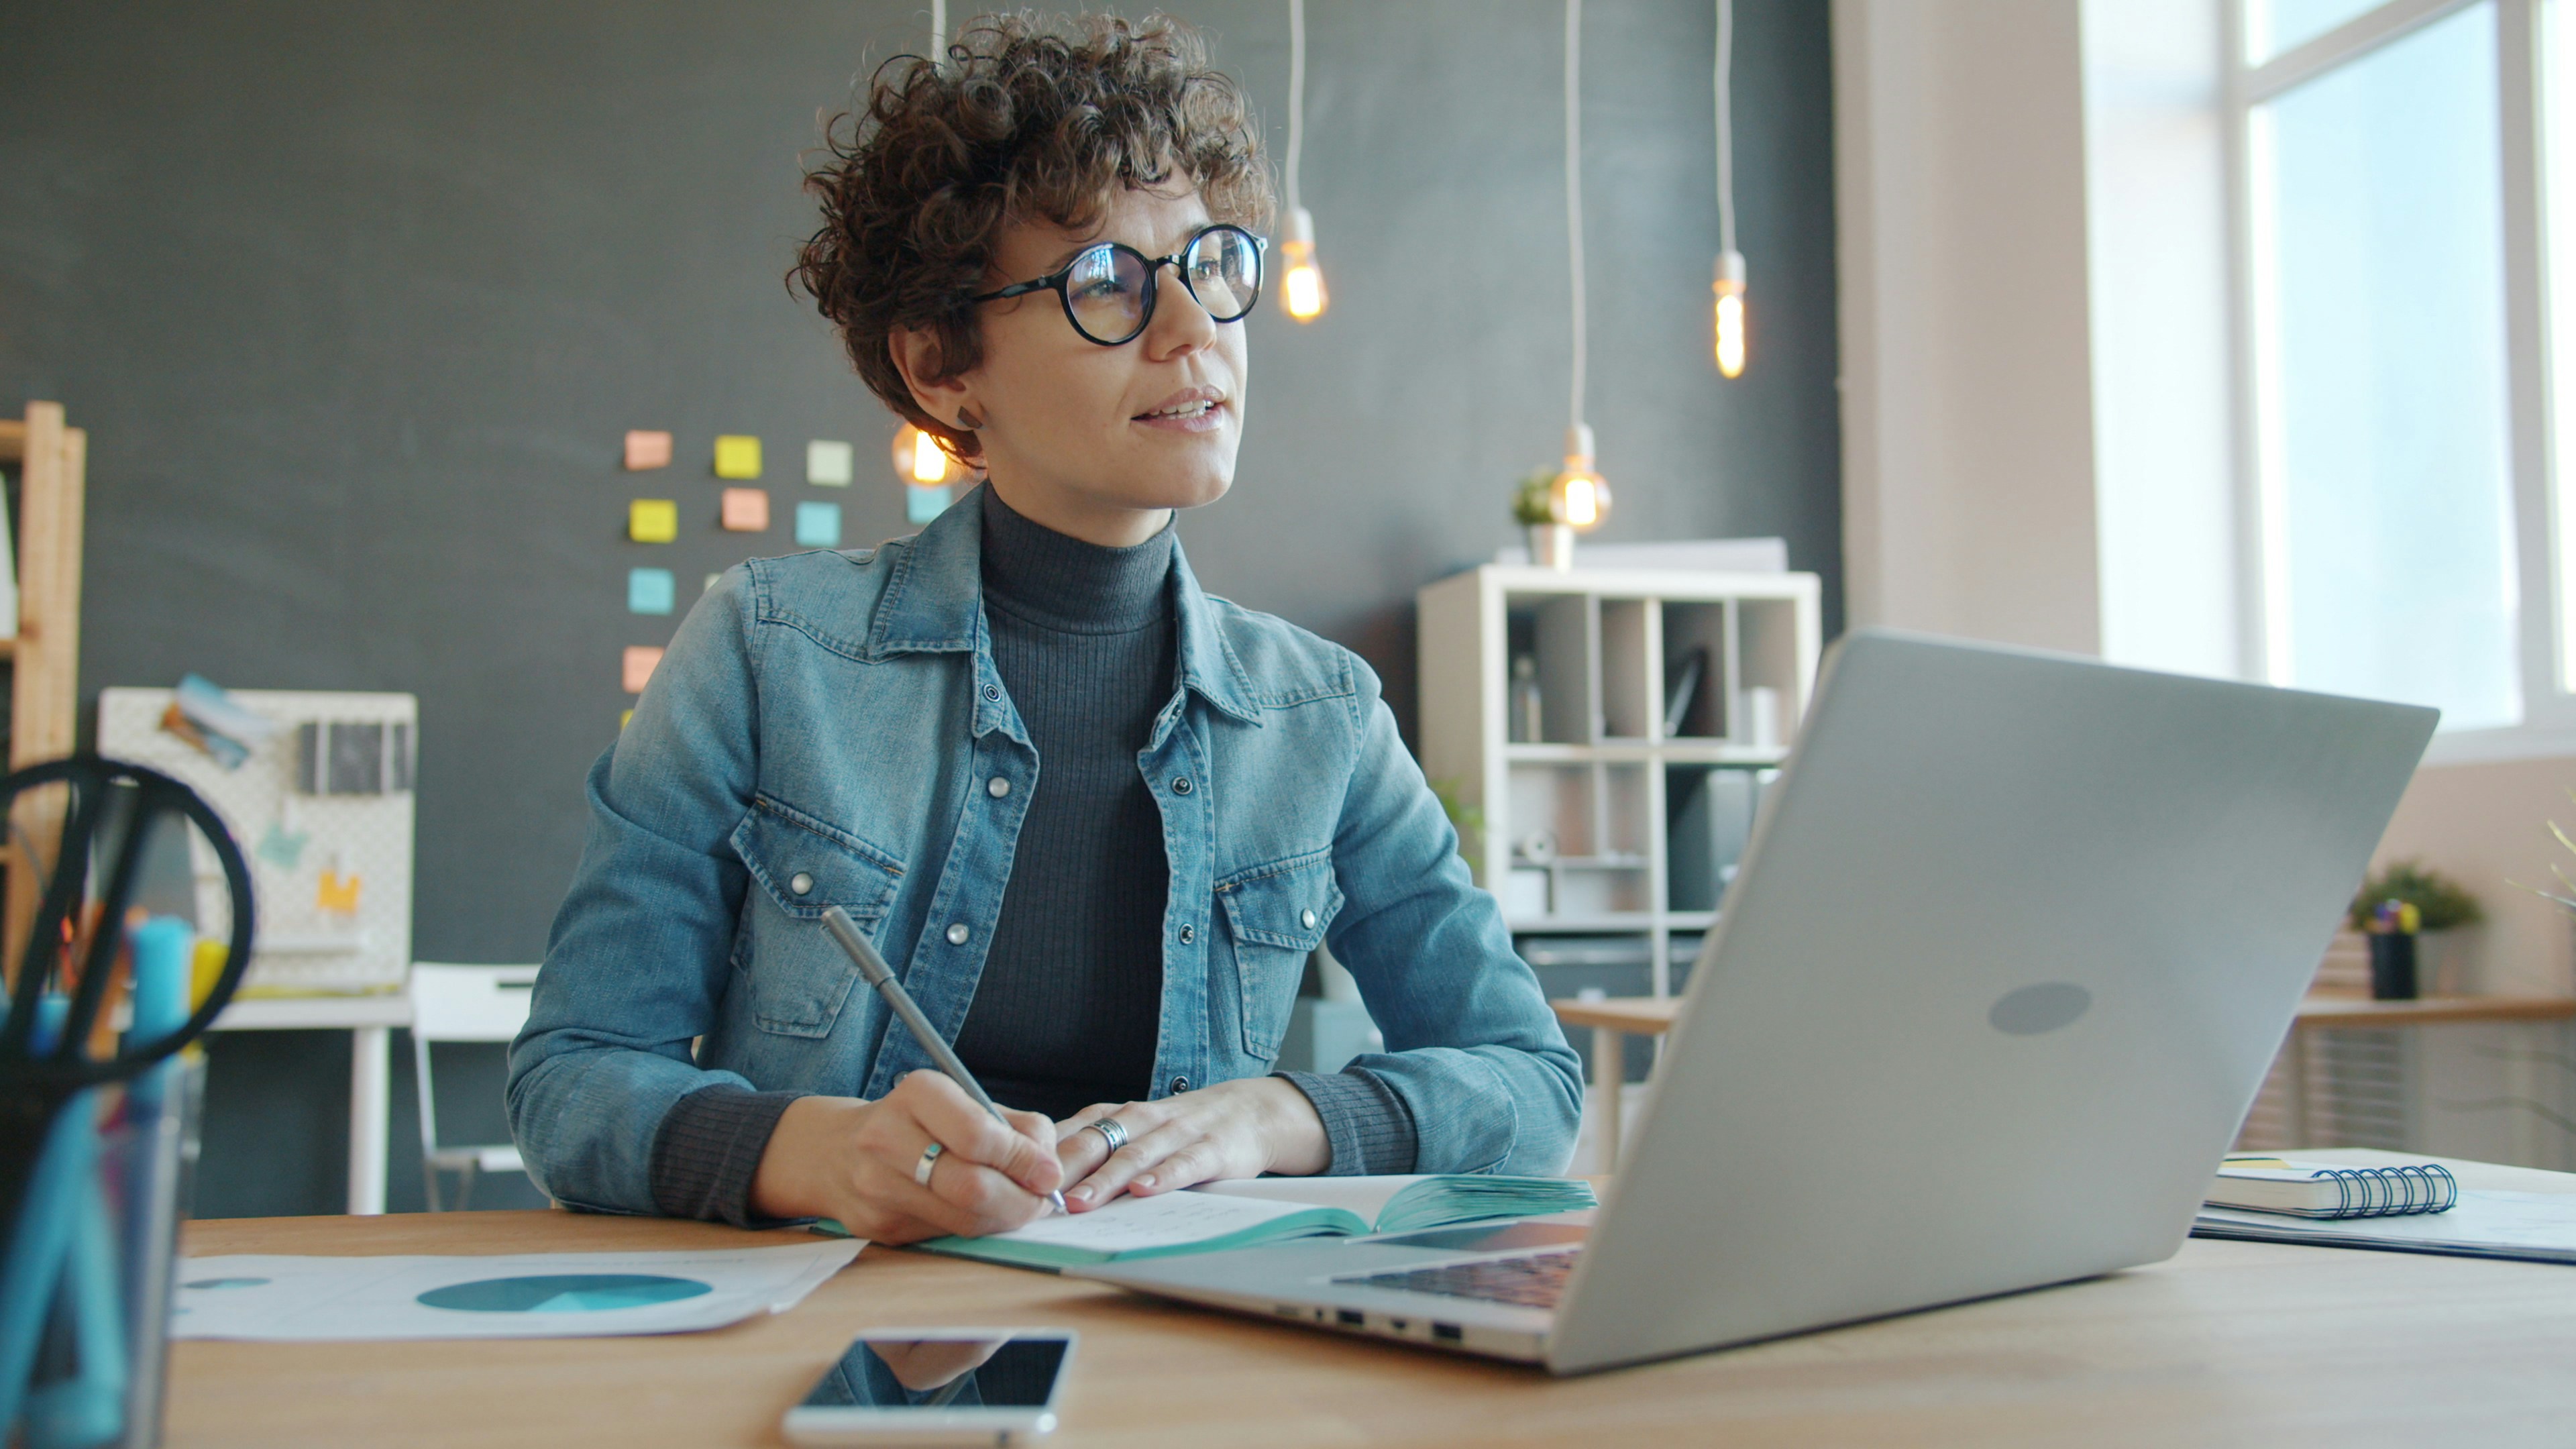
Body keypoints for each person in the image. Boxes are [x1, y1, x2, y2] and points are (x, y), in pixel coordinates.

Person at [506, 12, 1580, 1245]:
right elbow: (574, 1075)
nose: (1194, 334)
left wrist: (1270, 1120)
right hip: (829, 1328)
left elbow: (1532, 1081)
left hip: (1180, 1348)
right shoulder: (763, 650)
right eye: (1107, 285)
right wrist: (813, 1154)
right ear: (941, 366)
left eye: (1213, 266)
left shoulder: (1319, 713)